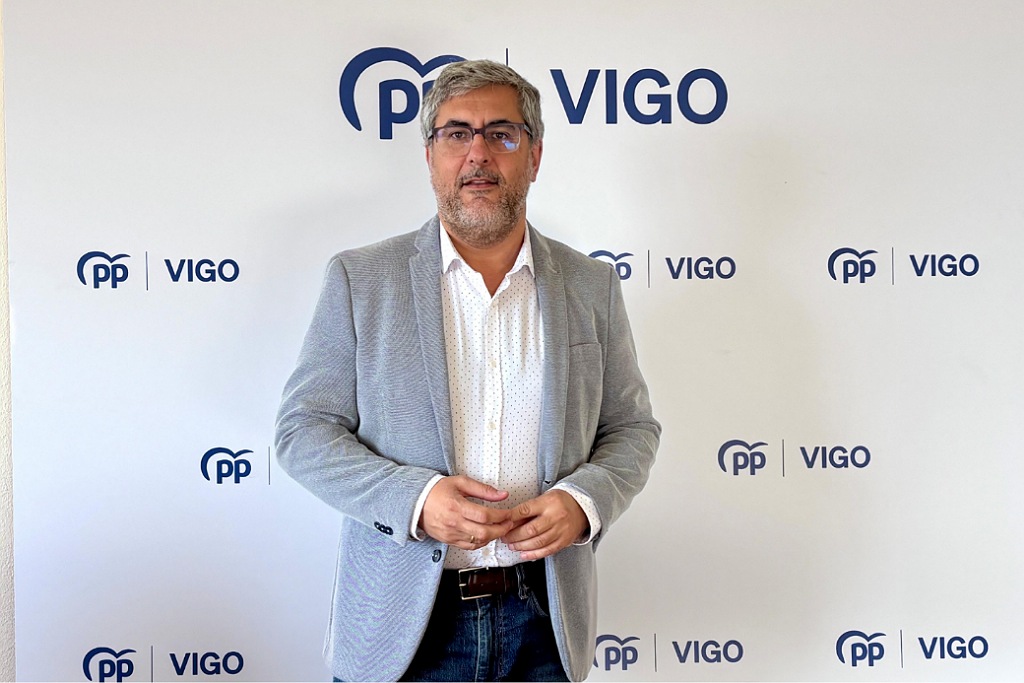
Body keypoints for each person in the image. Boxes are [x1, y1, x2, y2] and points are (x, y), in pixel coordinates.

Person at [275, 59, 660, 682]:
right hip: (403, 631)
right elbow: (303, 432)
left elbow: (631, 429)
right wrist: (416, 499)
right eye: (457, 134)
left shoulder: (591, 284)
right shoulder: (360, 279)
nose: (478, 153)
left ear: (534, 156)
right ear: (430, 156)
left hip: (546, 625)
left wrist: (583, 501)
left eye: (501, 134)